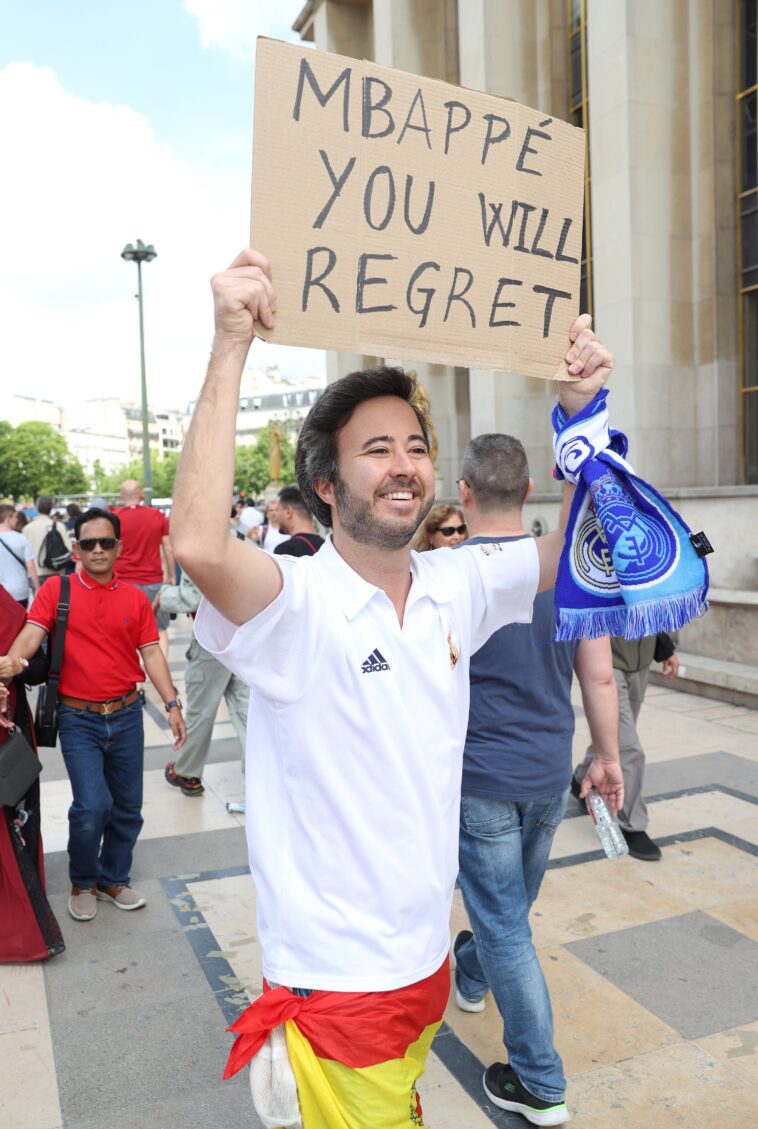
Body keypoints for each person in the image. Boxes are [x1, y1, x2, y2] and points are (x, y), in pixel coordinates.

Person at [168, 248, 615, 1126]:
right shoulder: (298, 602)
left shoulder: (458, 579)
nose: (404, 462)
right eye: (376, 449)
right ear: (327, 487)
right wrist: (229, 346)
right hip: (339, 983)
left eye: (414, 445)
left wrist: (585, 417)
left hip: (423, 968)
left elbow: (572, 554)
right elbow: (201, 547)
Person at [452, 433, 623, 1126]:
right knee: (506, 915)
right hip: (548, 773)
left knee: (505, 924)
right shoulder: (566, 570)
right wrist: (605, 756)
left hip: (479, 776)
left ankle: (539, 1078)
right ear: (526, 494)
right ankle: (470, 966)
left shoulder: (440, 574)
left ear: (462, 492)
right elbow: (601, 673)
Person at [6, 507, 187, 922]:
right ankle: (83, 880)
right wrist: (8, 671)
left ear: (119, 547)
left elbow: (151, 653)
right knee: (90, 805)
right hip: (77, 718)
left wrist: (173, 704)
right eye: (90, 543)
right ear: (76, 549)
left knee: (127, 807)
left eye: (107, 542)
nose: (99, 550)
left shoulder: (135, 599)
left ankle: (113, 878)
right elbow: (31, 634)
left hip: (126, 715)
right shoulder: (58, 590)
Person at [0, 585, 65, 962]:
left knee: (17, 821)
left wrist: (15, 666)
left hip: (9, 730)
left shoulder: (5, 604)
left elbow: (40, 666)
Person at [571, 633, 678, 861]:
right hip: (604, 656)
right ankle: (631, 823)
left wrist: (665, 645)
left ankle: (581, 779)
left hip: (641, 657)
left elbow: (650, 598)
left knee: (614, 736)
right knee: (628, 747)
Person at [159, 568, 250, 797]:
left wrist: (164, 596)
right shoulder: (239, 543)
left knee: (201, 710)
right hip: (243, 637)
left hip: (212, 640)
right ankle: (260, 777)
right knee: (246, 714)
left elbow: (193, 596)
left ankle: (187, 773)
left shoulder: (201, 546)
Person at [113, 480, 175, 658]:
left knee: (126, 631)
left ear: (121, 495)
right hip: (153, 581)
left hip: (122, 582)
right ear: (141, 494)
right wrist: (171, 576)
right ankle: (160, 673)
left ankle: (132, 677)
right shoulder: (156, 515)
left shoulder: (114, 519)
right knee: (159, 628)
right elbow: (168, 548)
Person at [22, 495, 73, 586]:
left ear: (37, 508)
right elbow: (70, 549)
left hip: (35, 572)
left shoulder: (27, 528)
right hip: (57, 571)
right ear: (51, 508)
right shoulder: (59, 526)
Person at [0, 503, 39, 606]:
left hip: (1, 591)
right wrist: (37, 587)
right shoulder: (21, 538)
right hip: (19, 590)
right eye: (15, 517)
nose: (17, 520)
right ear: (8, 518)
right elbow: (30, 565)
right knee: (19, 621)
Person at [271, 486, 324, 557]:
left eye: (278, 510)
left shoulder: (285, 550)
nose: (276, 515)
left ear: (288, 512)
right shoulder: (327, 545)